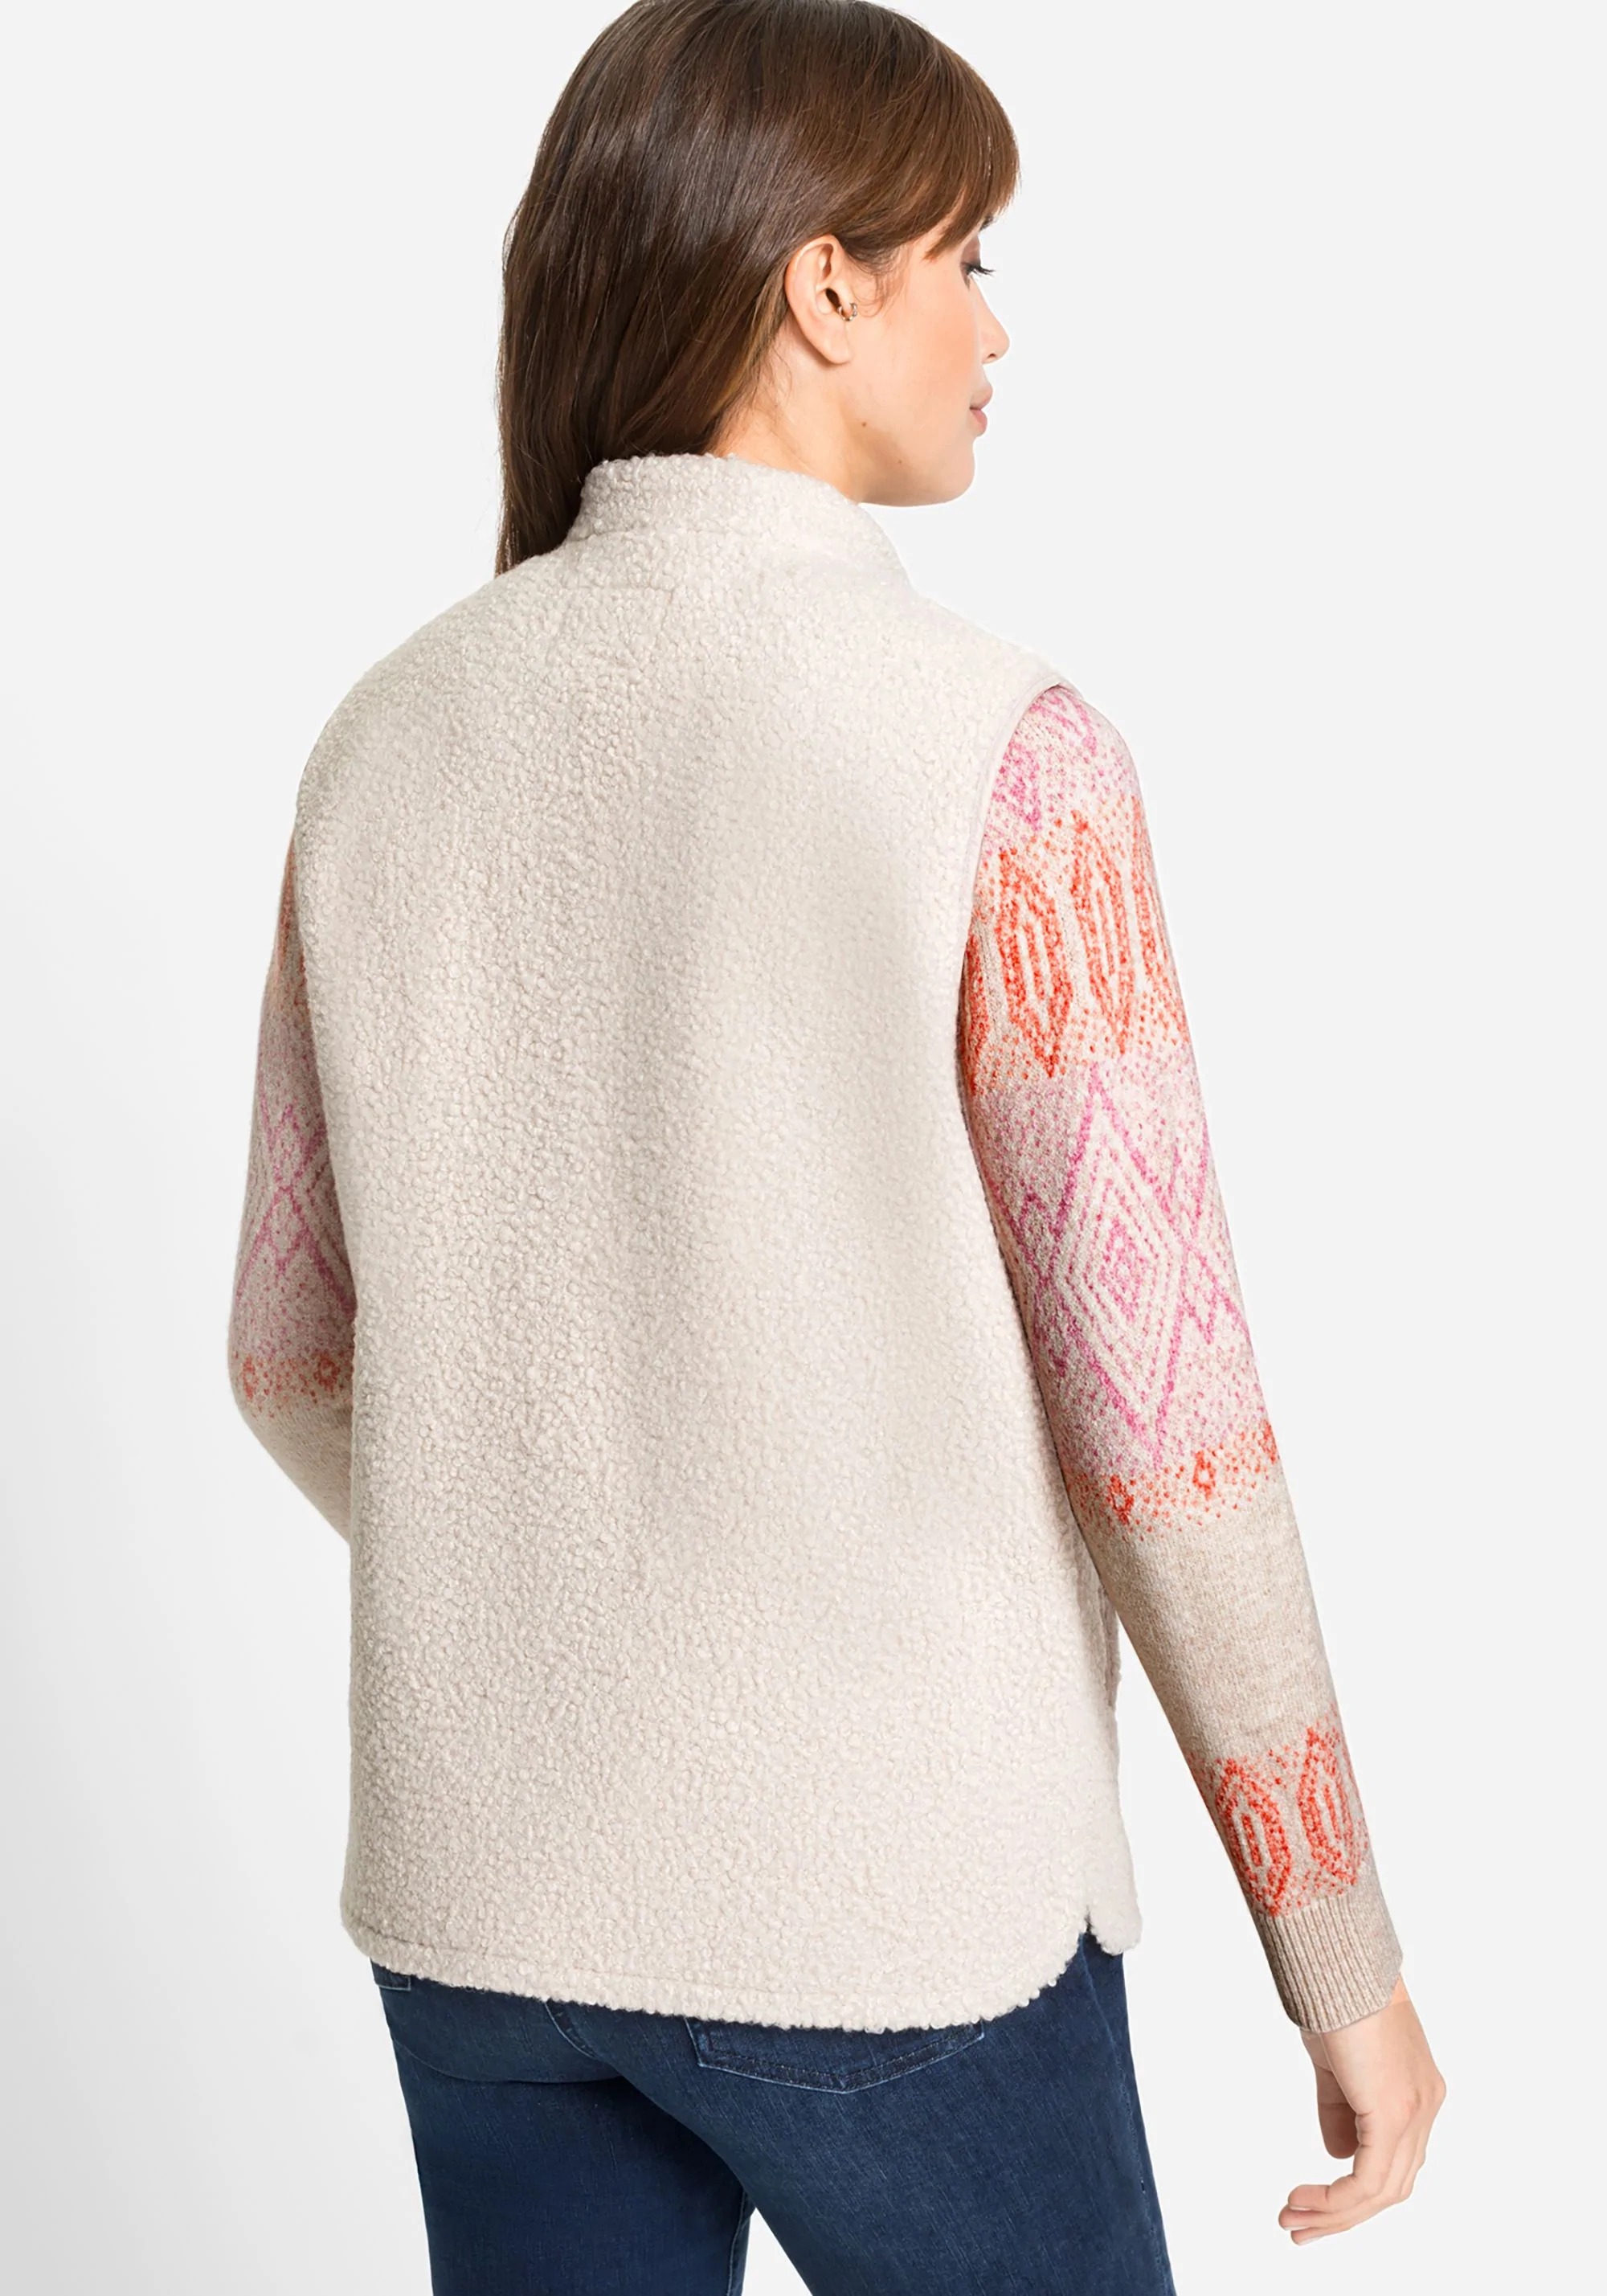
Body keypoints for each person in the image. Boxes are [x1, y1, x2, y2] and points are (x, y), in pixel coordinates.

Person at [225, 2, 1445, 2288]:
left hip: (485, 1894)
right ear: (823, 288)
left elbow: (291, 1359)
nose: (999, 329)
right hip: (895, 1904)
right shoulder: (1004, 754)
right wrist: (1341, 1952)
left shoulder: (378, 743)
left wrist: (564, 1579)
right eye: (968, 258)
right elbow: (1168, 1434)